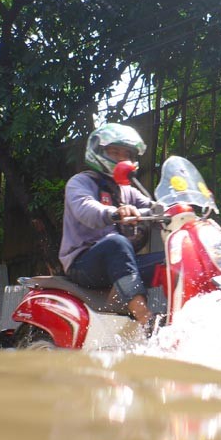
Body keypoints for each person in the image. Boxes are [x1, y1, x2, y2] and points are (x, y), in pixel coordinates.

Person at [58, 123, 164, 333]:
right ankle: (147, 322)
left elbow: (154, 208)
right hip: (83, 264)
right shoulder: (80, 182)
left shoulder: (128, 190)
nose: (121, 158)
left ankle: (184, 321)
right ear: (98, 152)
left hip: (118, 264)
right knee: (117, 243)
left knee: (172, 260)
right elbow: (86, 209)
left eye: (127, 154)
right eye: (114, 152)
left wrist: (182, 214)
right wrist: (115, 212)